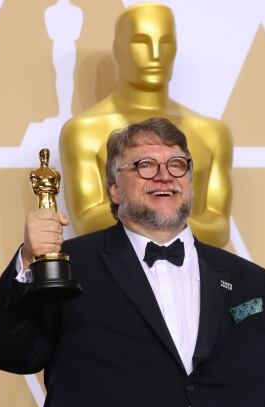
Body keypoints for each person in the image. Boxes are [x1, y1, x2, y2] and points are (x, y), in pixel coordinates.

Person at [0, 118, 265, 407]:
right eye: (144, 165)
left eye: (176, 164)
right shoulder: (68, 265)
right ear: (113, 189)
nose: (163, 176)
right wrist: (29, 260)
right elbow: (11, 352)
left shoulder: (254, 282)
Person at [60, 3, 232, 247]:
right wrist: (171, 214)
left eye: (166, 42)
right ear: (118, 49)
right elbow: (87, 222)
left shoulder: (213, 133)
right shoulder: (84, 131)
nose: (155, 54)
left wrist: (146, 213)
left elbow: (219, 229)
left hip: (198, 275)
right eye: (141, 41)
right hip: (113, 276)